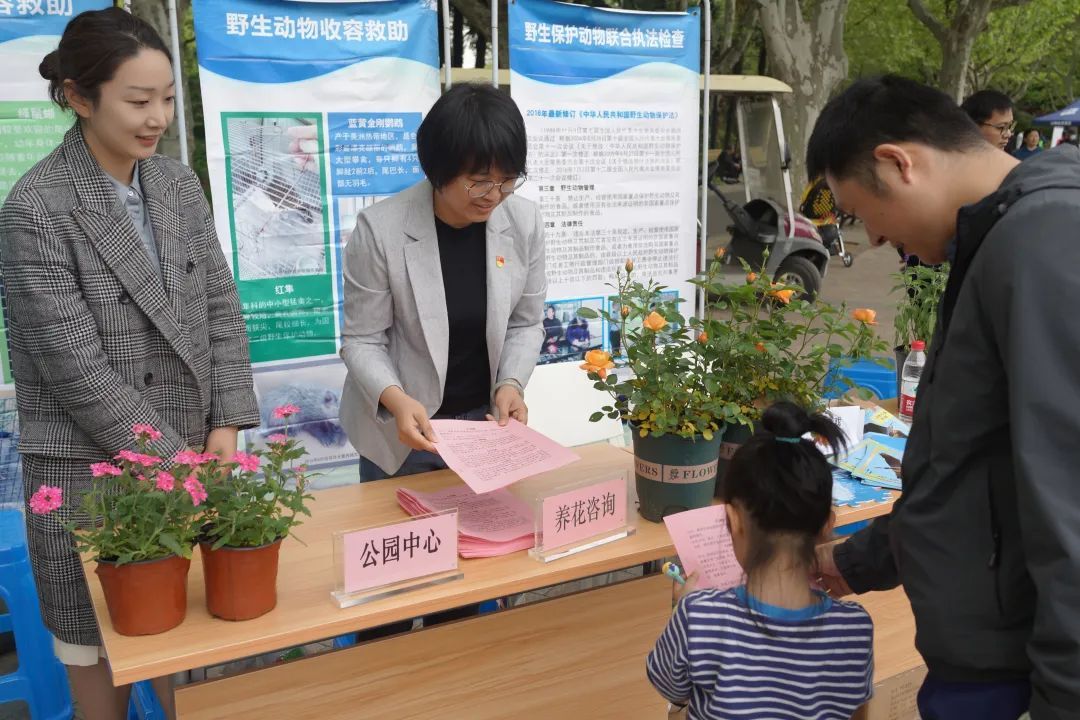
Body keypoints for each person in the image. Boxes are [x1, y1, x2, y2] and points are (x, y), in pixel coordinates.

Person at [0, 9, 259, 719]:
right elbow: (74, 368)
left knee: (193, 674)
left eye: (168, 99)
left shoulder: (177, 185)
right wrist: (180, 465)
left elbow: (219, 308)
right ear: (81, 97)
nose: (157, 118)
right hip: (91, 476)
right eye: (138, 101)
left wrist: (227, 424)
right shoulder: (35, 208)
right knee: (100, 680)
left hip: (195, 462)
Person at [807, 74, 1080, 720]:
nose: (873, 240)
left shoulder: (1041, 240)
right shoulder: (995, 235)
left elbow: (1068, 495)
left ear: (898, 163)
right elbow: (971, 463)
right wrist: (861, 559)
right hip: (987, 653)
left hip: (1023, 673)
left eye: (861, 215)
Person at [340, 83, 546, 482]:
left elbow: (525, 321)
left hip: (486, 426)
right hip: (404, 434)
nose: (494, 196)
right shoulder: (381, 230)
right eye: (479, 181)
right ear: (439, 169)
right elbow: (363, 340)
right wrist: (396, 399)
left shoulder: (523, 222)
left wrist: (511, 383)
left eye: (507, 180)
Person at [647, 402, 873, 720]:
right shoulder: (854, 627)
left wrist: (678, 611)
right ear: (827, 525)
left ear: (733, 520)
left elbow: (671, 689)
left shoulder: (697, 615)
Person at [799, 174, 842, 255]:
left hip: (810, 222)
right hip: (828, 222)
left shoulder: (813, 183)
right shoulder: (836, 183)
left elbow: (803, 202)